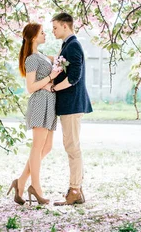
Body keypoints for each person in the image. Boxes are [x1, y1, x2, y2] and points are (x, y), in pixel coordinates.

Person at [7, 22, 61, 205]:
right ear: (33, 36)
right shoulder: (31, 58)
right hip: (39, 102)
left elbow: (60, 59)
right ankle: (36, 187)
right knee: (37, 148)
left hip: (50, 102)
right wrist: (50, 78)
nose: (46, 35)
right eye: (42, 32)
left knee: (47, 148)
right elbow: (30, 87)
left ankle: (21, 182)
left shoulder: (42, 56)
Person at [50, 12, 93, 206]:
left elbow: (74, 77)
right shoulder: (68, 45)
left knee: (72, 147)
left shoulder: (73, 45)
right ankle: (77, 191)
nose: (53, 31)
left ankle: (75, 189)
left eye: (55, 27)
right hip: (69, 105)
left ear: (65, 26)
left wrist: (53, 88)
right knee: (71, 146)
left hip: (72, 104)